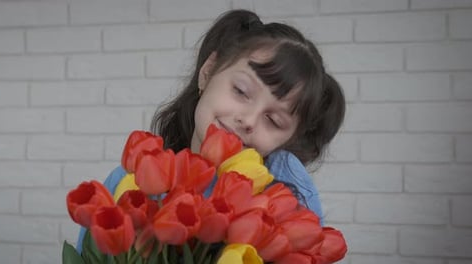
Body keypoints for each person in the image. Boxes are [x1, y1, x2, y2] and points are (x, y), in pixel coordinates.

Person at [76, 9, 345, 252]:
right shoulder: (132, 178)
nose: (249, 120)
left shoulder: (288, 193)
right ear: (208, 71)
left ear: (289, 138)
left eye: (273, 120)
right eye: (241, 91)